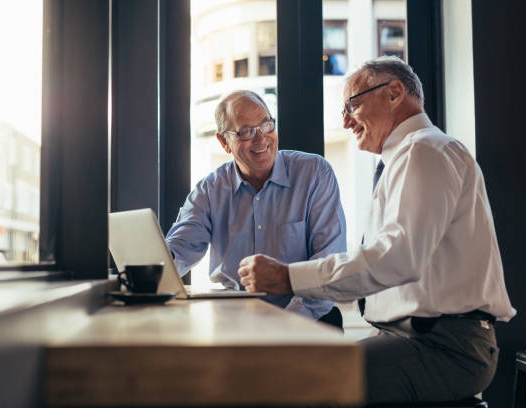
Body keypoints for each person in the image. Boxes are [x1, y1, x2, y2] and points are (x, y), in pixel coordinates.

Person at [237, 57, 515, 403]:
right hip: (418, 340)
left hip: (444, 347)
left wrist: (289, 277)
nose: (345, 120)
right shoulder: (409, 156)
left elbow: (397, 258)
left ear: (395, 92)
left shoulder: (425, 149)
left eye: (353, 104)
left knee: (304, 381)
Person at [166, 90, 347, 324]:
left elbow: (329, 263)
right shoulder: (209, 190)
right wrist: (154, 267)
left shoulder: (315, 173)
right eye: (246, 132)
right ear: (224, 142)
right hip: (236, 321)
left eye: (267, 126)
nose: (261, 139)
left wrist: (284, 324)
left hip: (306, 318)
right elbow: (181, 248)